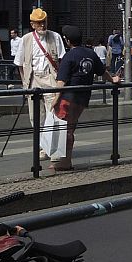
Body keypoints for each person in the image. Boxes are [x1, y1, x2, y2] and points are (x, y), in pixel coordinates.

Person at [52, 25, 120, 172]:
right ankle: (63, 160)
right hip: (83, 98)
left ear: (68, 40)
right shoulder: (90, 53)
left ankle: (65, 162)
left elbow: (61, 81)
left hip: (68, 98)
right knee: (71, 128)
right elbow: (102, 72)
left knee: (65, 130)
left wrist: (56, 99)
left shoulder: (68, 56)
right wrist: (113, 80)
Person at [14, 8, 66, 159]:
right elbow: (19, 63)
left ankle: (52, 148)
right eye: (39, 23)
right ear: (32, 24)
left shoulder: (55, 37)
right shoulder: (26, 39)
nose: (42, 25)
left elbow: (62, 60)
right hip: (33, 78)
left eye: (44, 22)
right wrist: (25, 83)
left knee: (53, 114)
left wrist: (59, 82)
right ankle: (42, 146)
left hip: (50, 77)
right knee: (36, 116)